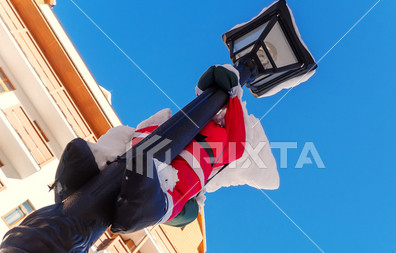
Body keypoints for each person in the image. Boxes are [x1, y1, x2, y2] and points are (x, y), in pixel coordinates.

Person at [52, 65, 279, 233]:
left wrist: (233, 99)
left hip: (168, 185)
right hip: (139, 154)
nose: (220, 118)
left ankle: (139, 204)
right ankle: (92, 169)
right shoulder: (187, 121)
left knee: (151, 187)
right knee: (127, 147)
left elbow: (237, 138)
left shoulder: (224, 148)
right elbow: (203, 102)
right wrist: (218, 91)